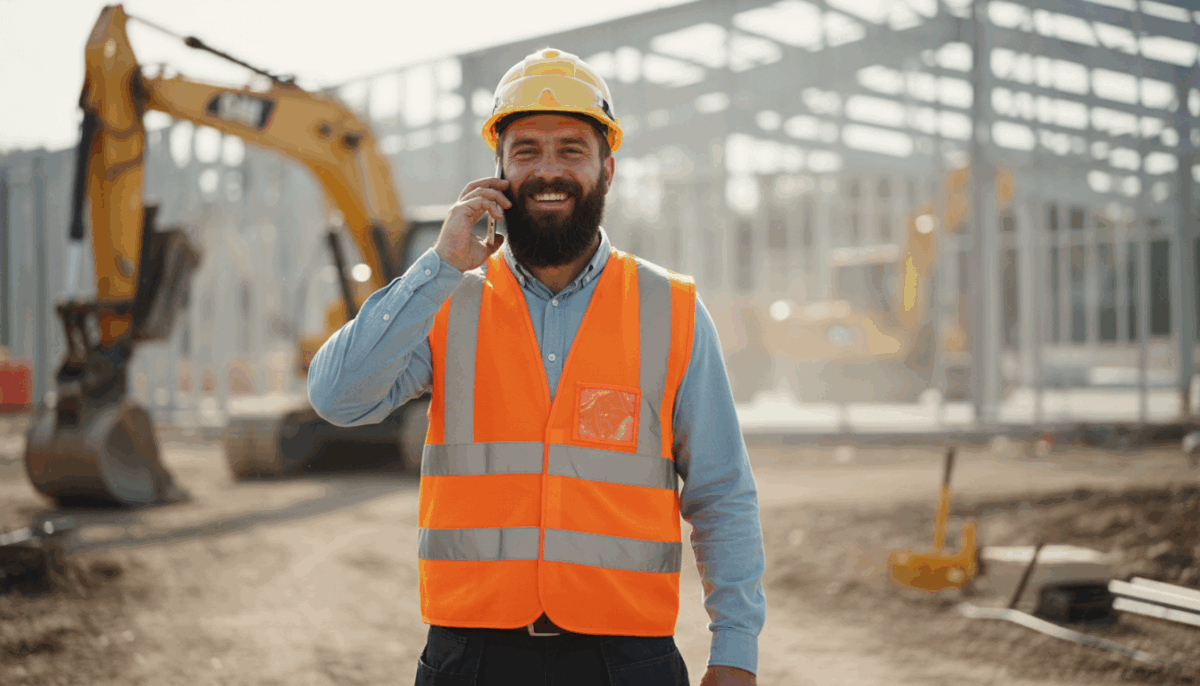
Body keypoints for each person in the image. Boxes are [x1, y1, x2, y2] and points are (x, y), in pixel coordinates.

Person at [307, 47, 765, 686]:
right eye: (526, 151)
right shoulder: (446, 301)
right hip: (473, 657)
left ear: (608, 169)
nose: (548, 170)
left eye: (572, 149)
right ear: (497, 171)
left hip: (627, 660)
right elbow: (336, 397)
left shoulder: (673, 309)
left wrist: (736, 651)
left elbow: (722, 494)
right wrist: (438, 265)